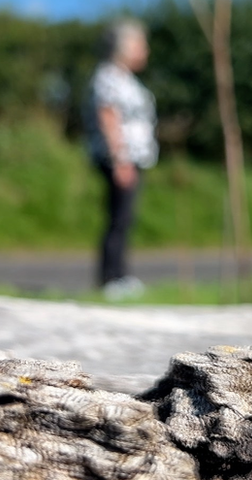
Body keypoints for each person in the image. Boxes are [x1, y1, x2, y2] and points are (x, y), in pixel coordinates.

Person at [82, 19, 158, 298]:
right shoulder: (109, 77)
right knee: (119, 216)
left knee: (125, 217)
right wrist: (120, 160)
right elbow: (108, 117)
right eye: (141, 45)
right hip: (120, 158)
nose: (145, 51)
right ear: (124, 47)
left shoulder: (125, 78)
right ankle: (110, 279)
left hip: (132, 157)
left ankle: (120, 275)